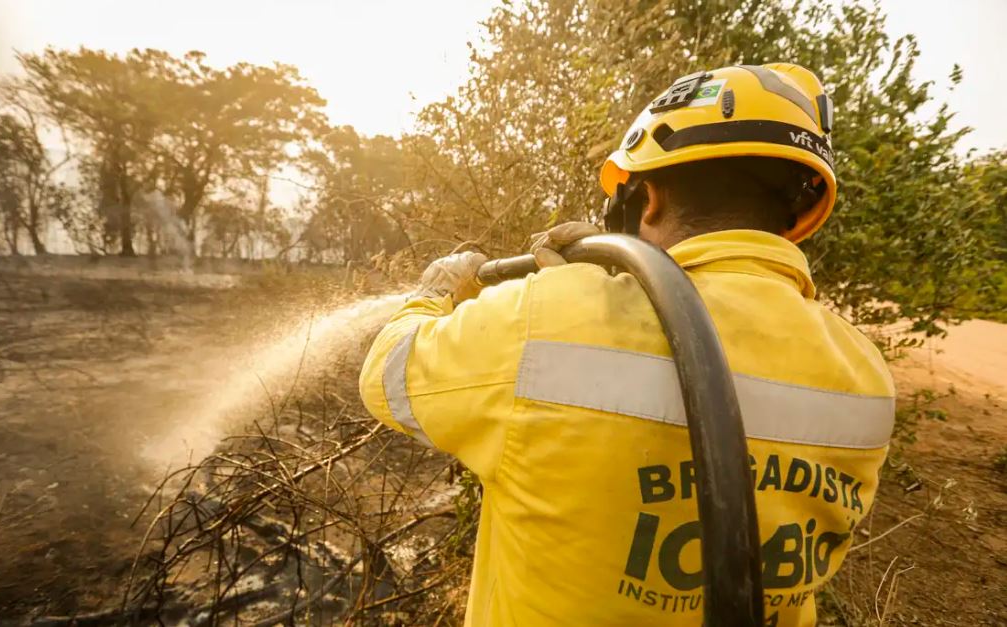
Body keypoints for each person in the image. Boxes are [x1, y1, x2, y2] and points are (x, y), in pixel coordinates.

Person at [359, 63, 894, 626]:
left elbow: (387, 372)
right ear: (798, 214)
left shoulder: (544, 319)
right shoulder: (866, 374)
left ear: (652, 196)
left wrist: (438, 290)